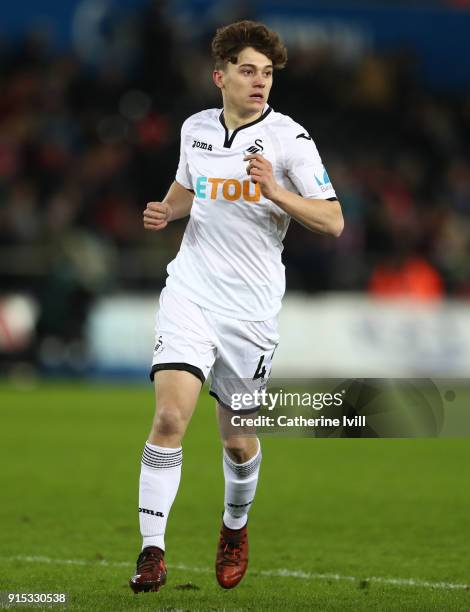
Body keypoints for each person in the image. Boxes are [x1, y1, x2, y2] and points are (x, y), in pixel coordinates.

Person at [129, 20, 343, 594]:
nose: (260, 82)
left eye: (267, 73)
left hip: (249, 312)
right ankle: (152, 551)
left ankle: (234, 526)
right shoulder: (195, 128)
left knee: (237, 439)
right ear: (219, 75)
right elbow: (185, 191)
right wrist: (165, 212)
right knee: (171, 417)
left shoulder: (290, 140)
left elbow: (333, 220)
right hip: (190, 292)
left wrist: (277, 192)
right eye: (248, 70)